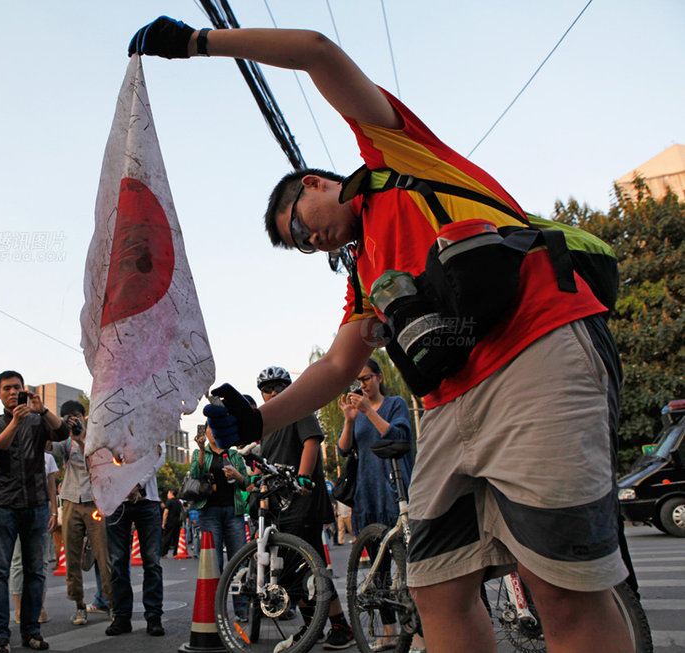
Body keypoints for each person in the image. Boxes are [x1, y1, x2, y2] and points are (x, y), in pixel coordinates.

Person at [131, 18, 633, 653]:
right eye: (299, 246)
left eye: (300, 225)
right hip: (450, 409)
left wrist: (198, 43)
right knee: (435, 587)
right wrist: (256, 422)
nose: (311, 241)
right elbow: (340, 366)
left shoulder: (395, 154)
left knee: (560, 589)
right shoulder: (367, 275)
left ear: (315, 183)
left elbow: (315, 51)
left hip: (536, 357)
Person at [255, 366, 354, 649]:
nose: (273, 393)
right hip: (281, 507)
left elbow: (311, 443)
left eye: (279, 387)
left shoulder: (299, 411)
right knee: (304, 568)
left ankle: (331, 626)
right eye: (267, 389)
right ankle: (324, 626)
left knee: (302, 568)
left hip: (303, 502)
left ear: (290, 389)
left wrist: (304, 477)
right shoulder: (269, 426)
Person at [0, 371, 69, 653]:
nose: (12, 392)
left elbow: (63, 432)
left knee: (35, 570)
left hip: (35, 505)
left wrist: (41, 409)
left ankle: (31, 631)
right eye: (6, 389)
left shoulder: (38, 420)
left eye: (17, 388)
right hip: (4, 505)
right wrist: (16, 421)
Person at [337, 360, 419, 650]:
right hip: (367, 495)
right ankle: (387, 631)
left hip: (395, 491)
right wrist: (349, 419)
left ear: (379, 377)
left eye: (367, 378)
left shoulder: (394, 404)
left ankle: (418, 632)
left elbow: (398, 436)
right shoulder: (357, 414)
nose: (363, 384)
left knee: (412, 565)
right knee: (379, 566)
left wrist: (368, 411)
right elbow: (344, 449)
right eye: (359, 380)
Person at [52, 400, 113, 626]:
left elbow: (102, 463)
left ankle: (112, 603)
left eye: (76, 416)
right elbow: (48, 446)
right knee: (72, 556)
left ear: (84, 416)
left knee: (103, 555)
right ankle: (79, 605)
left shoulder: (96, 438)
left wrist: (80, 437)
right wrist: (58, 428)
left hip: (95, 501)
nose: (73, 420)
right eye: (68, 417)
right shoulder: (64, 442)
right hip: (70, 499)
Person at [104, 444, 166, 638]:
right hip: (116, 500)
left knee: (152, 560)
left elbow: (158, 455)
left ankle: (154, 616)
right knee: (117, 561)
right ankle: (121, 616)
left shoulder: (150, 417)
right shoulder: (111, 420)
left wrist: (137, 484)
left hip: (148, 500)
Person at [189, 426, 248, 579]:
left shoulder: (234, 454)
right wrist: (201, 450)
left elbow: (245, 483)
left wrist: (237, 475)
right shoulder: (198, 453)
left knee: (239, 560)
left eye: (217, 426)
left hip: (233, 511)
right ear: (206, 432)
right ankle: (216, 602)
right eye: (210, 428)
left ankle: (241, 602)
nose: (214, 431)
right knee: (214, 562)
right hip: (209, 511)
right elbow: (195, 474)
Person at [10, 451, 59, 625]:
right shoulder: (12, 452)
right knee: (17, 561)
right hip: (16, 507)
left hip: (41, 509)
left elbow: (51, 487)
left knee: (41, 561)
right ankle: (19, 609)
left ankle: (40, 607)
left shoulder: (48, 458)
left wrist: (54, 512)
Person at [160, 489, 184, 557]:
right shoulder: (179, 502)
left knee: (167, 538)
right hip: (177, 522)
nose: (167, 495)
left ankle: (164, 553)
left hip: (170, 522)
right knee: (176, 538)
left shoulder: (169, 501)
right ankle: (175, 553)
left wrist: (163, 523)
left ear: (171, 494)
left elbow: (166, 512)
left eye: (168, 493)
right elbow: (181, 513)